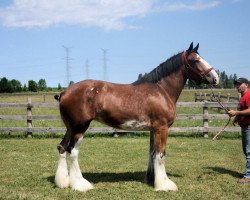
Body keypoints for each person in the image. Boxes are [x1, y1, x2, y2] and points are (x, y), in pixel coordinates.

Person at [227, 77, 250, 183]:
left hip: (249, 126)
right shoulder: (242, 97)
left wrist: (236, 113)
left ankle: (248, 176)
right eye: (236, 84)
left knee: (249, 151)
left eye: (239, 84)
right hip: (245, 126)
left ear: (246, 85)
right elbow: (242, 109)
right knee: (246, 150)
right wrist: (236, 118)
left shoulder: (248, 95)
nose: (237, 86)